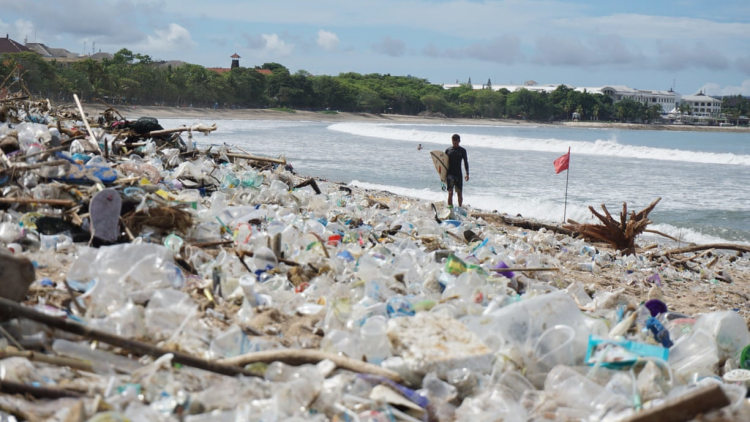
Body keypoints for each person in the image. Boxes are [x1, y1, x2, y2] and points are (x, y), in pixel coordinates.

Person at [445, 134, 469, 207]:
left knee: (459, 193)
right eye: (453, 141)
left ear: (459, 141)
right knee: (450, 192)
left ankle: (460, 207)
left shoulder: (462, 151)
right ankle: (450, 208)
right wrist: (443, 175)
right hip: (450, 174)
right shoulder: (448, 150)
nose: (454, 143)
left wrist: (467, 173)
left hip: (458, 174)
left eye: (456, 141)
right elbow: (444, 163)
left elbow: (465, 162)